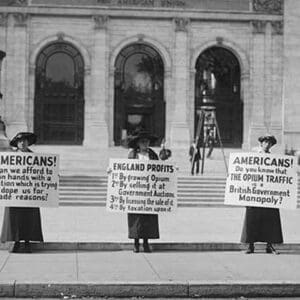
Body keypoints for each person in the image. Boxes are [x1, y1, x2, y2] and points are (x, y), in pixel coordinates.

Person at [1, 132, 44, 253]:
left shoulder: (36, 158)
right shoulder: (10, 158)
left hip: (29, 194)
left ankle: (27, 242)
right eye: (20, 141)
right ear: (17, 144)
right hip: (14, 194)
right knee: (14, 217)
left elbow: (43, 173)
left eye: (25, 141)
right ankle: (15, 242)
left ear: (28, 143)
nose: (23, 143)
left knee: (29, 217)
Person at [241, 134, 283, 254]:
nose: (267, 144)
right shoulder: (254, 156)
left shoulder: (274, 159)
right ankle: (250, 246)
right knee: (252, 220)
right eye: (265, 142)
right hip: (255, 194)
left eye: (270, 143)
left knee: (270, 220)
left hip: (268, 195)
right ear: (261, 143)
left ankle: (270, 246)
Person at [127, 130, 160, 253]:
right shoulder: (132, 155)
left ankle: (146, 243)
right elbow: (125, 169)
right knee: (136, 219)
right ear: (138, 143)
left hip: (149, 191)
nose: (145, 144)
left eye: (147, 142)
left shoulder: (152, 154)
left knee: (148, 219)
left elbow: (160, 169)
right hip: (136, 191)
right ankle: (136, 243)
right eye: (143, 142)